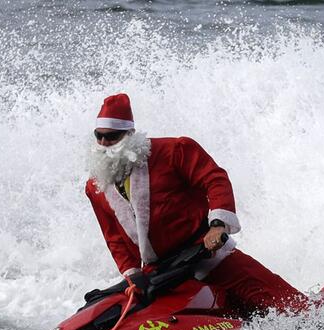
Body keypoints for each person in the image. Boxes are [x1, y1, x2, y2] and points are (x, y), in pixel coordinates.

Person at [85, 93, 311, 315]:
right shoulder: (96, 187)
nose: (105, 143)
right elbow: (114, 237)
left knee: (288, 305)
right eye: (99, 136)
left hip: (207, 254)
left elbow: (215, 179)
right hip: (161, 274)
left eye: (112, 136)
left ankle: (315, 316)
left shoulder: (174, 151)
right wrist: (132, 274)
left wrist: (218, 225)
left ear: (130, 134)